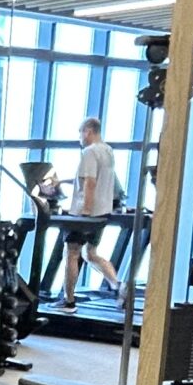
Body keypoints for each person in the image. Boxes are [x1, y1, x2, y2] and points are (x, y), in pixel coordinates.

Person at [58, 117, 124, 308]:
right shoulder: (107, 151)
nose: (80, 138)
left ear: (88, 131)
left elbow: (90, 182)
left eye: (80, 133)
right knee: (90, 253)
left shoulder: (89, 151)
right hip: (103, 211)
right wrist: (62, 181)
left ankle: (68, 300)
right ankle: (117, 284)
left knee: (71, 253)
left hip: (85, 213)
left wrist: (85, 212)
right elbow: (94, 179)